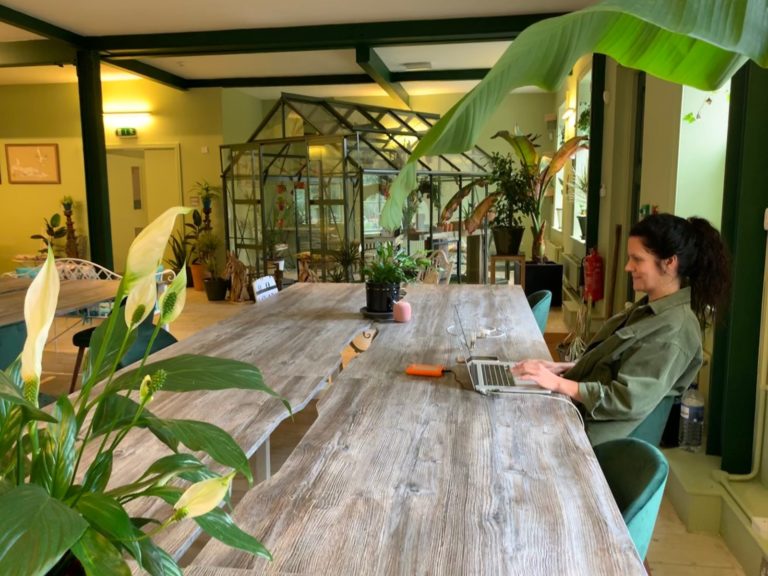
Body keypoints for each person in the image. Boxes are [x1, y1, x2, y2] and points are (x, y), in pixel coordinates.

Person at [512, 213, 730, 445]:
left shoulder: (674, 330)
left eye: (637, 259)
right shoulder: (649, 310)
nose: (628, 267)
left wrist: (558, 383)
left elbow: (626, 399)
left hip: (592, 442)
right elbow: (619, 366)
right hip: (577, 419)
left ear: (669, 262)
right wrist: (562, 367)